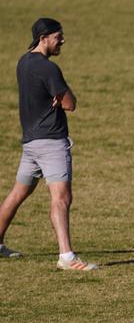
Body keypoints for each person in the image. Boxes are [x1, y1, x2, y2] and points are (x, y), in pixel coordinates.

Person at [0, 18, 97, 270]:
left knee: (18, 193)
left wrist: (55, 96)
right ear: (43, 38)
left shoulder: (23, 62)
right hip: (51, 142)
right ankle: (67, 257)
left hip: (30, 143)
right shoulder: (48, 69)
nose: (62, 40)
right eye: (58, 36)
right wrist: (63, 96)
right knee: (61, 197)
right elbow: (70, 104)